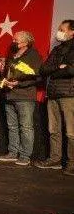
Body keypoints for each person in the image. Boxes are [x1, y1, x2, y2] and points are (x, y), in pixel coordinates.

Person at [0, 31, 43, 166]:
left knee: (26, 127)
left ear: (25, 42)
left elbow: (37, 77)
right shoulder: (13, 55)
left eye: (16, 39)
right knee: (12, 126)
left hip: (25, 96)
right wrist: (5, 81)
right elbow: (9, 73)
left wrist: (19, 84)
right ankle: (13, 152)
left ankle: (25, 156)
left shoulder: (33, 55)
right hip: (10, 95)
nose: (13, 41)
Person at [36, 20, 74, 173]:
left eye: (62, 29)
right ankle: (55, 159)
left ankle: (72, 163)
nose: (59, 32)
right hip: (52, 93)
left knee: (71, 132)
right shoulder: (57, 49)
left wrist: (55, 70)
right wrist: (59, 67)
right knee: (53, 129)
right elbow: (43, 69)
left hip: (69, 94)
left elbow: (71, 70)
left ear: (72, 32)